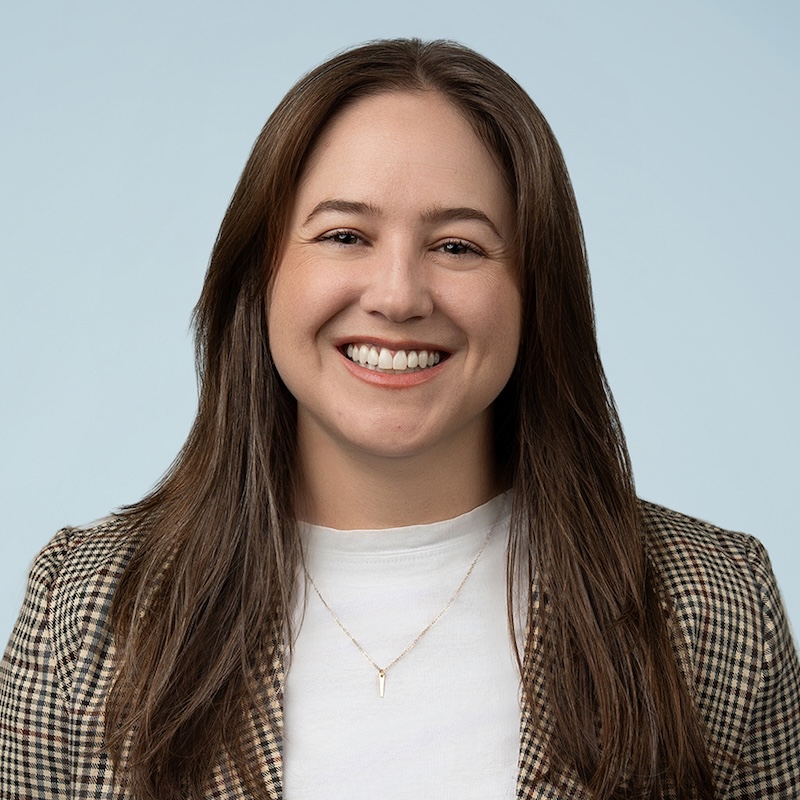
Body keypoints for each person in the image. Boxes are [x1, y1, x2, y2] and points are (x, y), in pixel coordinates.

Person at [1, 38, 798, 800]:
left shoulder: (710, 605)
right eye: (344, 235)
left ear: (536, 293)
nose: (398, 296)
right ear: (260, 274)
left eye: (458, 247)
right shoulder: (89, 605)